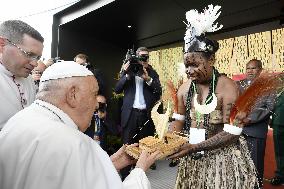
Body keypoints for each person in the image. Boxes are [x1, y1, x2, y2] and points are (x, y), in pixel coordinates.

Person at [0, 61, 161, 189]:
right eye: (93, 95)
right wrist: (139, 171)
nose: (96, 105)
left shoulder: (17, 121)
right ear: (73, 94)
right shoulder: (77, 145)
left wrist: (109, 164)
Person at [168, 5, 258, 188]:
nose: (189, 71)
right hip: (192, 156)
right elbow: (178, 121)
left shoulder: (227, 88)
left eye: (194, 65)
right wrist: (169, 139)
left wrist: (196, 147)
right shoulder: (185, 89)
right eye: (187, 65)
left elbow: (232, 133)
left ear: (211, 60)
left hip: (222, 160)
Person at [114, 47, 162, 176]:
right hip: (130, 114)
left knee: (145, 145)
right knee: (128, 145)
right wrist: (127, 75)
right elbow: (117, 89)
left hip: (146, 115)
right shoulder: (128, 71)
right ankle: (124, 174)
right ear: (136, 57)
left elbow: (159, 92)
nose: (143, 59)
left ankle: (140, 173)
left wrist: (148, 80)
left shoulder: (152, 73)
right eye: (141, 56)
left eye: (146, 56)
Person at [237, 59, 275, 187]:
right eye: (248, 68)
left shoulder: (268, 86)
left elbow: (269, 107)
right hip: (237, 131)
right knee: (239, 163)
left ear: (260, 70)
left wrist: (250, 119)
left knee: (255, 165)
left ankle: (256, 186)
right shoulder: (238, 84)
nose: (250, 71)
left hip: (256, 132)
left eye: (253, 68)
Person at [0, 20, 44, 130]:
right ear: (2, 45)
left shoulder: (28, 79)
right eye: (29, 54)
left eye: (37, 58)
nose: (35, 63)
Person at [270, 92, 284, 186]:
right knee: (279, 151)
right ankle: (280, 175)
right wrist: (272, 121)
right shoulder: (280, 90)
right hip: (278, 124)